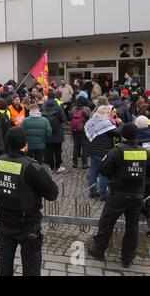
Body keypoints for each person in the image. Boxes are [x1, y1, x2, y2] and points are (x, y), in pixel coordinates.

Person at [0, 127, 59, 276]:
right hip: (28, 224)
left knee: (4, 262)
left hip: (5, 220)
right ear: (25, 144)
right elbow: (52, 194)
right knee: (31, 265)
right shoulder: (32, 167)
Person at [88, 124, 150, 268]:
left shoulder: (117, 151)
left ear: (123, 136)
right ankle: (127, 258)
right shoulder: (144, 152)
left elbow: (103, 170)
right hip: (137, 195)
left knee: (106, 223)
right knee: (132, 227)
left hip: (118, 194)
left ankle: (98, 250)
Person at [85, 106, 119, 201]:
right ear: (104, 113)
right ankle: (103, 195)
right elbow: (117, 133)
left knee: (93, 172)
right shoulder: (105, 124)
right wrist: (119, 123)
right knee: (103, 173)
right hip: (103, 152)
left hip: (92, 151)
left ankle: (92, 192)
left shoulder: (91, 121)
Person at [41, 92, 67, 173]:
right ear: (54, 97)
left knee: (49, 151)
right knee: (58, 150)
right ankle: (58, 166)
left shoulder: (43, 107)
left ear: (47, 97)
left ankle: (51, 167)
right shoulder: (58, 107)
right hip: (57, 132)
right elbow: (63, 119)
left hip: (47, 132)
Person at [70, 96, 91, 168]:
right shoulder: (86, 109)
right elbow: (89, 119)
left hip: (74, 130)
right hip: (83, 130)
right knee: (84, 147)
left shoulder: (73, 109)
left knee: (75, 146)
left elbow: (70, 117)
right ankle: (84, 163)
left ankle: (74, 163)